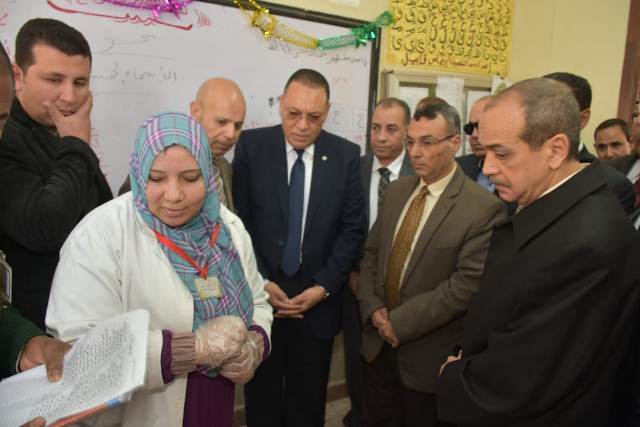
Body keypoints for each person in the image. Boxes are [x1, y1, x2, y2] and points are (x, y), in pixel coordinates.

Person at [46, 112, 273, 427]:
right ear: (139, 173)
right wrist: (188, 350)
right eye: (156, 178)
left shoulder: (228, 229)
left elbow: (258, 299)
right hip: (141, 414)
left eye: (190, 178)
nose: (174, 195)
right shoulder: (100, 235)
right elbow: (79, 351)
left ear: (208, 175)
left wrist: (257, 342)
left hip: (214, 404)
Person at [437, 78, 640, 426]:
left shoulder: (587, 242)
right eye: (486, 152)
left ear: (556, 150)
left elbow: (530, 373)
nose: (487, 168)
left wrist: (455, 378)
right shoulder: (551, 200)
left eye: (502, 154)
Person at [357, 102, 506, 427]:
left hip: (426, 358)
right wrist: (373, 308)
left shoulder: (482, 208)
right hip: (378, 346)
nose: (415, 152)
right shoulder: (397, 191)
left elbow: (464, 286)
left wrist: (399, 323)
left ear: (455, 143)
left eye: (427, 142)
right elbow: (371, 254)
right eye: (410, 142)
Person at [234, 68, 365, 427]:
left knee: (307, 405)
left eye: (314, 117)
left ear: (327, 112)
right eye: (294, 113)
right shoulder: (252, 147)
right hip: (263, 299)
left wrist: (324, 288)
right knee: (261, 403)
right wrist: (260, 281)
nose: (303, 126)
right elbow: (238, 224)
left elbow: (351, 230)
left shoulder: (346, 156)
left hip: (317, 306)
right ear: (281, 105)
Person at [0, 18, 112, 328]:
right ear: (18, 76)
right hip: (34, 330)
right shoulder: (7, 137)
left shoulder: (65, 135)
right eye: (54, 80)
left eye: (80, 82)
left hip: (88, 317)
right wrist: (76, 144)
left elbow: (100, 218)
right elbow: (45, 228)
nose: (70, 97)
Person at [343, 97, 413, 427]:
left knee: (396, 375)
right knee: (357, 366)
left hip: (404, 293)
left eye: (391, 129)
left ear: (407, 132)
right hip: (355, 288)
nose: (381, 137)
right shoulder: (352, 169)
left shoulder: (419, 172)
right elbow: (338, 227)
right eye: (375, 128)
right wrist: (351, 272)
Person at [118, 78, 246, 212]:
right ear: (196, 112)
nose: (231, 134)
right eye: (221, 122)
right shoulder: (157, 161)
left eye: (238, 126)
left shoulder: (225, 167)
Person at [456, 96, 494, 191]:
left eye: (481, 126)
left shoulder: (520, 170)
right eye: (470, 127)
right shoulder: (459, 167)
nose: (474, 135)